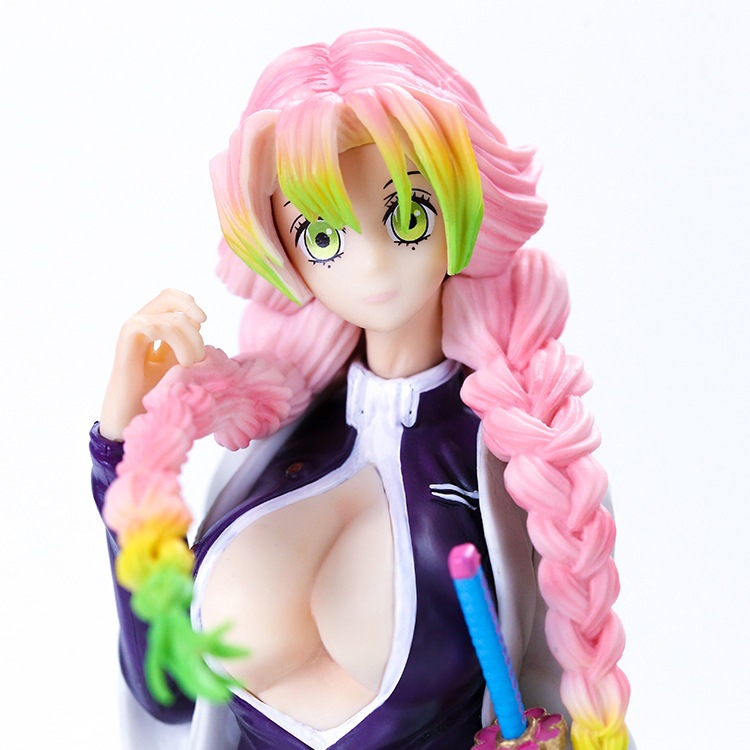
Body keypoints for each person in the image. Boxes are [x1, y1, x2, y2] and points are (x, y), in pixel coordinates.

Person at [91, 28, 631, 750]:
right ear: (281, 251)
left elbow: (562, 696)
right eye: (322, 235)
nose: (372, 263)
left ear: (466, 206)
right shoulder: (274, 443)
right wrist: (121, 452)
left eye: (407, 216)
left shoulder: (523, 462)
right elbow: (167, 693)